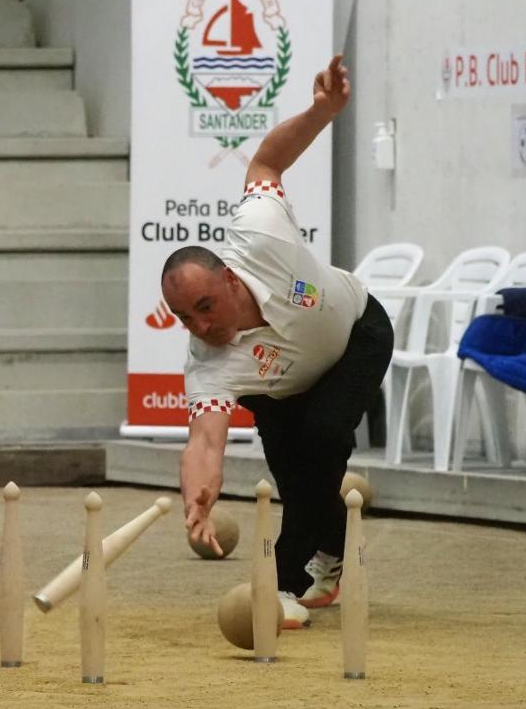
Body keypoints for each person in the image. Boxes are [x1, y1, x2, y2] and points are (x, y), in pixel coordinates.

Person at [162, 56, 393, 629]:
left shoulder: (258, 230)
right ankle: (333, 557)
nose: (200, 326)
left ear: (231, 279)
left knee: (322, 438)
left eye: (206, 307)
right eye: (184, 318)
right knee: (300, 479)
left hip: (357, 336)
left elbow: (267, 159)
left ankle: (284, 583)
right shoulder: (210, 362)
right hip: (282, 388)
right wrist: (199, 489)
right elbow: (206, 443)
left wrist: (322, 111)